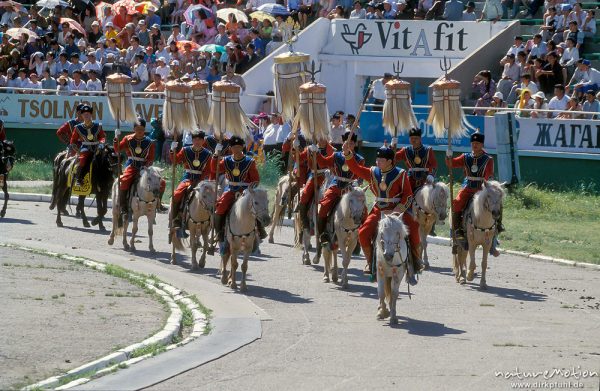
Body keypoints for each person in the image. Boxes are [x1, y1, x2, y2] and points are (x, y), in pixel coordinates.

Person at [342, 142, 421, 283]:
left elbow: (408, 196)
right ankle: (371, 262)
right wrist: (348, 154)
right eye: (377, 159)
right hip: (379, 209)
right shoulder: (373, 172)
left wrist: (397, 211)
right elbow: (355, 168)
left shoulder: (401, 174)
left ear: (390, 161)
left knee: (414, 228)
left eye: (381, 160)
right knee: (363, 233)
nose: (377, 161)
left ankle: (415, 264)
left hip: (397, 210)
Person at [445, 133, 501, 254]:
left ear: (482, 145)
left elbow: (489, 174)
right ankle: (457, 232)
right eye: (473, 143)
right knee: (456, 203)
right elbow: (451, 164)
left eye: (478, 143)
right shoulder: (465, 157)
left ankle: (496, 233)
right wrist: (448, 156)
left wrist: (485, 184)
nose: (475, 145)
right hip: (468, 186)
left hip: (482, 188)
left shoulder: (488, 159)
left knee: (496, 204)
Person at [312, 131, 365, 244]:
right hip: (336, 184)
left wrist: (359, 181)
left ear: (355, 144)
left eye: (351, 143)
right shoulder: (336, 155)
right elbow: (322, 163)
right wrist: (316, 152)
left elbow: (360, 173)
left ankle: (362, 237)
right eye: (347, 143)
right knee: (324, 206)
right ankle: (322, 235)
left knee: (363, 209)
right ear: (343, 143)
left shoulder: (360, 159)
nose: (349, 145)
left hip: (351, 187)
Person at [212, 136, 264, 242]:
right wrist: (215, 155)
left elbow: (256, 180)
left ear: (243, 147)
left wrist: (249, 190)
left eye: (238, 147)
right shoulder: (226, 160)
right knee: (219, 208)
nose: (236, 149)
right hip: (230, 189)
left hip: (245, 190)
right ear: (230, 148)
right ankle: (219, 233)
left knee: (255, 207)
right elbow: (214, 169)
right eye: (234, 147)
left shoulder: (250, 162)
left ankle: (260, 230)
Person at [113, 118, 158, 219]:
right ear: (134, 129)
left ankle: (156, 204)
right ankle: (123, 206)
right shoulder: (128, 139)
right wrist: (116, 138)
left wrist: (146, 167)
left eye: (142, 129)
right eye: (137, 129)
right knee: (124, 181)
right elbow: (117, 149)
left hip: (144, 166)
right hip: (132, 165)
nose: (140, 131)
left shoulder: (149, 142)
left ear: (144, 129)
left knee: (158, 181)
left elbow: (151, 158)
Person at [169, 131, 213, 228]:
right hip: (188, 178)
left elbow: (208, 170)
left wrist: (201, 182)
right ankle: (176, 218)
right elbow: (175, 161)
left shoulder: (208, 153)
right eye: (195, 139)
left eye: (200, 139)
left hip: (201, 180)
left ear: (203, 140)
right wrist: (172, 150)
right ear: (192, 140)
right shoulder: (185, 150)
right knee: (176, 194)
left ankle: (210, 220)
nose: (197, 141)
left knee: (212, 197)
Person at [296, 136, 335, 233]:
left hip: (329, 177)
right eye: (320, 138)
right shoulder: (309, 149)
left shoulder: (332, 150)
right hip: (315, 176)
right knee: (304, 195)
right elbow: (298, 159)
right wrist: (295, 148)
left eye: (323, 138)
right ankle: (304, 222)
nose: (321, 140)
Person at [69, 105, 106, 186]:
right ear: (81, 115)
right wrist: (77, 150)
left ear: (91, 114)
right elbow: (73, 141)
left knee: (107, 159)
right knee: (83, 159)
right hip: (85, 148)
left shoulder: (98, 125)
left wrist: (101, 143)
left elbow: (102, 137)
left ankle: (107, 178)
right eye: (84, 114)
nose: (86, 115)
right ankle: (79, 178)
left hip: (97, 147)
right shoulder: (78, 127)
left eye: (88, 113)